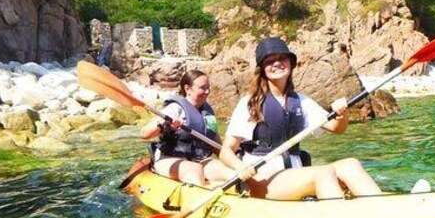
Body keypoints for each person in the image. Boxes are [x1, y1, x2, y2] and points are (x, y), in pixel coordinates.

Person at [218, 37, 384, 200]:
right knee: (322, 173)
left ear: (290, 63)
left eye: (282, 58)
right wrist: (240, 167)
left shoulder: (301, 101)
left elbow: (336, 128)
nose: (277, 63)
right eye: (269, 61)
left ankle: (381, 210)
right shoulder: (249, 103)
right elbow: (226, 152)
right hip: (263, 179)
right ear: (262, 69)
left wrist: (342, 113)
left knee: (351, 165)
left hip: (294, 174)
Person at [139, 70, 234, 186]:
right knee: (194, 170)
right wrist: (165, 125)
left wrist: (234, 158)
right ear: (187, 89)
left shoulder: (208, 113)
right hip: (169, 158)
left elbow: (216, 144)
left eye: (208, 87)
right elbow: (144, 134)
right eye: (202, 88)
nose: (207, 91)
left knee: (230, 171)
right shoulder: (174, 109)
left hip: (199, 159)